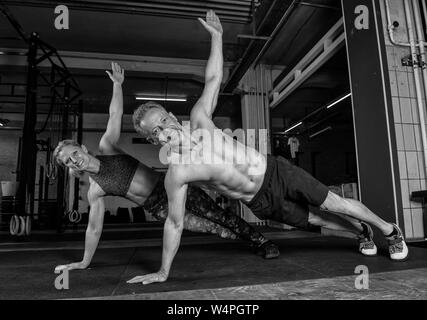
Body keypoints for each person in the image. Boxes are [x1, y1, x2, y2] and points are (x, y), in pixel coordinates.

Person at [130, 10, 408, 285]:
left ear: (170, 115)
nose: (165, 130)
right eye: (156, 131)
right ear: (154, 140)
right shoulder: (177, 173)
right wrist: (163, 271)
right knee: (319, 221)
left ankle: (389, 230)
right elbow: (174, 223)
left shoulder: (200, 119)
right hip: (259, 201)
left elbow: (213, 79)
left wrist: (217, 37)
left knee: (336, 204)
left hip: (275, 172)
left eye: (163, 120)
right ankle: (362, 231)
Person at [54, 62, 280, 272]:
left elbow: (115, 115)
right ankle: (245, 238)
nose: (74, 160)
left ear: (82, 148)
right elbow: (93, 229)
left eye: (74, 153)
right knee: (211, 227)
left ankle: (261, 240)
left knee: (221, 216)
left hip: (172, 188)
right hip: (158, 207)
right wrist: (84, 262)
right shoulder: (95, 190)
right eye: (68, 161)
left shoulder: (107, 147)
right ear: (68, 167)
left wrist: (117, 85)